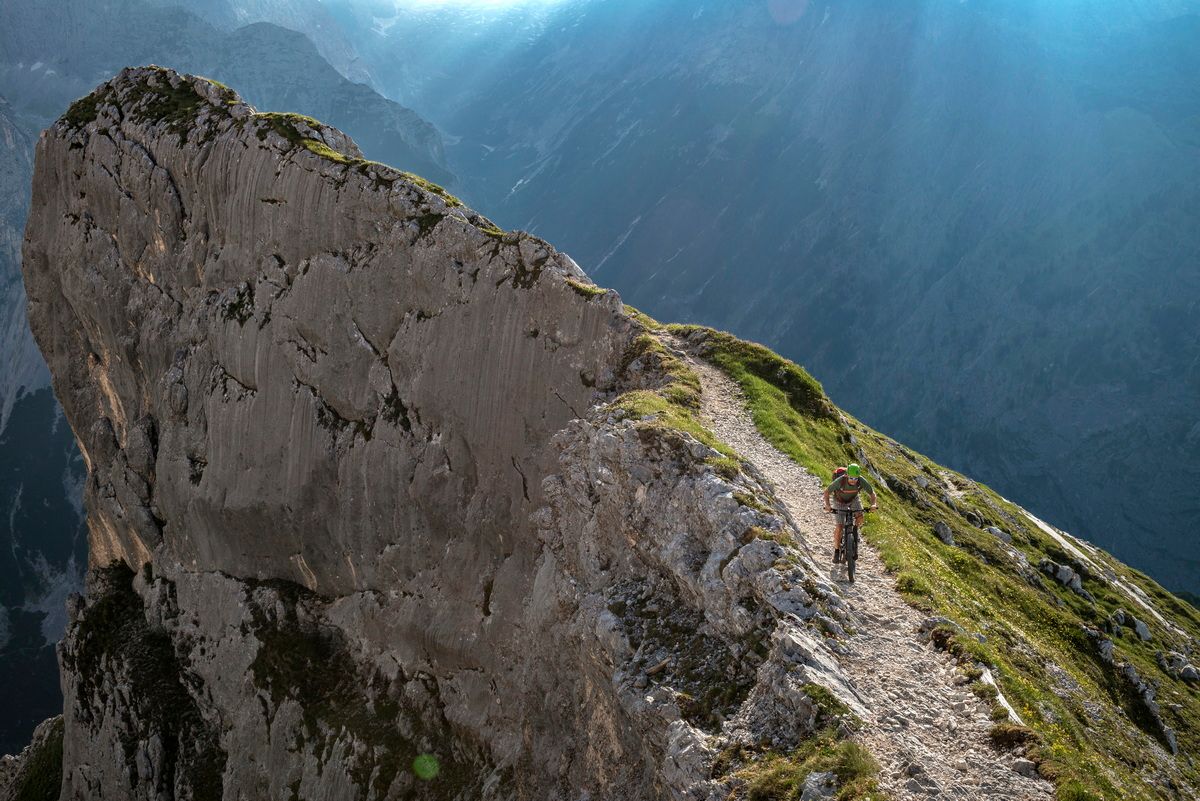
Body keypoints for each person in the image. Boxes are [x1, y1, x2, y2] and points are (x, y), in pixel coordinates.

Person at [823, 463, 877, 563]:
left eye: (856, 478)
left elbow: (872, 493)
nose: (854, 480)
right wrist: (827, 505)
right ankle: (836, 551)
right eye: (851, 478)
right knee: (839, 526)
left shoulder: (861, 480)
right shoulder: (840, 480)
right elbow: (827, 492)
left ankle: (855, 532)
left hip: (853, 499)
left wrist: (873, 504)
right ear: (847, 475)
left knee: (860, 516)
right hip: (839, 501)